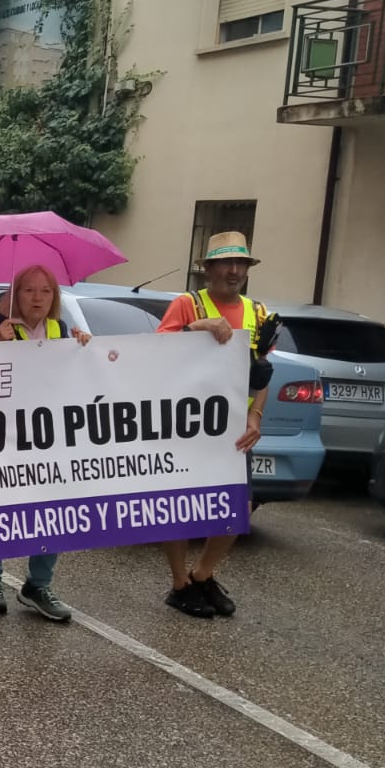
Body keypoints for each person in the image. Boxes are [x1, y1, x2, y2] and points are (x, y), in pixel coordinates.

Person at [155, 230, 276, 618]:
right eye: (227, 263)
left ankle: (202, 574)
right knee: (178, 508)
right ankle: (179, 584)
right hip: (186, 424)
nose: (235, 270)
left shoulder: (258, 313)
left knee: (239, 506)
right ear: (209, 269)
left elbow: (263, 374)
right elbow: (154, 353)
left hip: (233, 430)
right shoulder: (187, 304)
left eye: (241, 263)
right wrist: (196, 328)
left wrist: (256, 416)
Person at [0, 265, 92, 622]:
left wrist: (83, 347)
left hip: (47, 439)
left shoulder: (61, 330)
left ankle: (38, 584)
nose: (37, 298)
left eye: (45, 291)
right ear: (15, 295)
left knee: (51, 510)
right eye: (29, 291)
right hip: (2, 438)